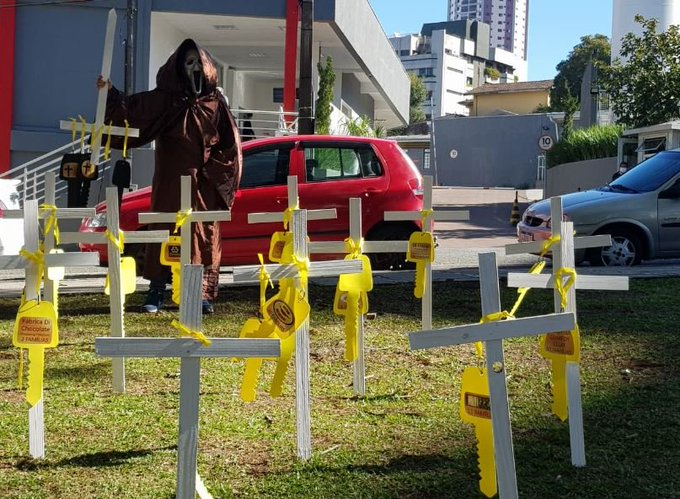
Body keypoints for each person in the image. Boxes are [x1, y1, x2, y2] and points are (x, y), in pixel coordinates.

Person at [97, 39, 242, 314]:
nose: (195, 67)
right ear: (179, 68)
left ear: (208, 67)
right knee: (163, 230)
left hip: (202, 186)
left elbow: (230, 145)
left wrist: (214, 175)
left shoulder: (216, 105)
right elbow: (133, 112)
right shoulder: (165, 100)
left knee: (201, 235)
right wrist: (111, 94)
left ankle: (200, 294)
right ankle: (157, 290)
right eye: (189, 63)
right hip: (170, 181)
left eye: (198, 62)